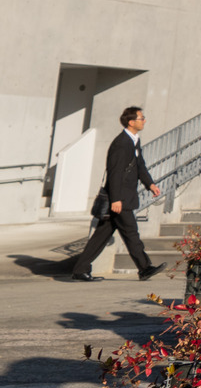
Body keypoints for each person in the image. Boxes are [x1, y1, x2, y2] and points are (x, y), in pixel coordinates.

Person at [69, 106, 163, 282]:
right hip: (121, 199)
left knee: (100, 237)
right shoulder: (121, 143)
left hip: (123, 197)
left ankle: (80, 269)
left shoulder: (134, 140)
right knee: (131, 233)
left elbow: (139, 166)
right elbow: (115, 173)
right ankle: (144, 268)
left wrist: (150, 184)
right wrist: (116, 199)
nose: (144, 121)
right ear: (131, 122)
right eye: (141, 118)